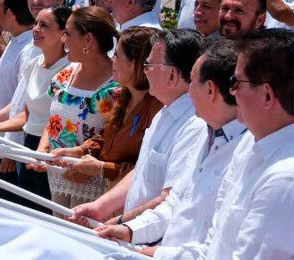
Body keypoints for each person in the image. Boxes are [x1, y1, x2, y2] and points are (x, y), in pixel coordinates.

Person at [96, 40, 249, 259]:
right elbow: (176, 201)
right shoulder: (207, 134)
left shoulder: (247, 149)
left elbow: (227, 244)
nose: (188, 90)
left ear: (210, 90)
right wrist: (130, 230)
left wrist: (163, 254)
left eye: (193, 82)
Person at [70, 30, 207, 227]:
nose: (145, 71)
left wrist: (122, 223)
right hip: (134, 231)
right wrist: (100, 207)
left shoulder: (194, 126)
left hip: (149, 239)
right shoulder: (165, 113)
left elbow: (169, 199)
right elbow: (141, 172)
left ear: (172, 75)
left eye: (149, 65)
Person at [201, 29, 294, 259]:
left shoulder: (285, 180)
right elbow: (216, 243)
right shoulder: (249, 144)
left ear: (266, 95)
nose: (232, 92)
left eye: (236, 82)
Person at [0, 6, 72, 214]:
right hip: (29, 145)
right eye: (36, 23)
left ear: (64, 34)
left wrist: (41, 151)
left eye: (44, 25)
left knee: (46, 211)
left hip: (50, 150)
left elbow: (53, 118)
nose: (36, 29)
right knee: (26, 210)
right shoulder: (34, 63)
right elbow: (26, 114)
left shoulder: (69, 70)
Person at [31, 6, 121, 215]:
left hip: (94, 185)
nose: (63, 40)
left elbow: (114, 136)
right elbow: (54, 121)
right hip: (57, 177)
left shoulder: (117, 85)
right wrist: (42, 150)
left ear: (88, 40)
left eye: (68, 34)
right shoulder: (66, 74)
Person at [51, 28, 163, 190]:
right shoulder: (122, 96)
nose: (112, 59)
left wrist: (103, 169)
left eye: (117, 55)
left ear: (134, 63)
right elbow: (106, 137)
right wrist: (82, 150)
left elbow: (148, 170)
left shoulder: (156, 109)